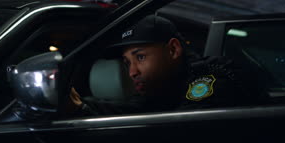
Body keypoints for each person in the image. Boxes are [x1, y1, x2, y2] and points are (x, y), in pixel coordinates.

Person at [68, 14, 269, 116]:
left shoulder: (214, 79)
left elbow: (182, 133)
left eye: (140, 58)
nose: (132, 72)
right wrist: (82, 106)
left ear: (173, 50)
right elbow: (133, 109)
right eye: (127, 62)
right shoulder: (164, 88)